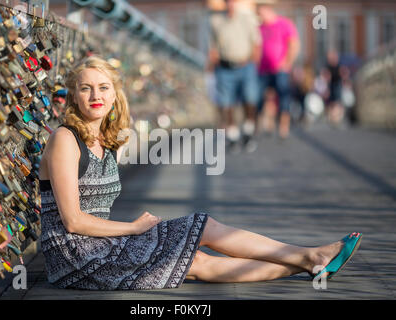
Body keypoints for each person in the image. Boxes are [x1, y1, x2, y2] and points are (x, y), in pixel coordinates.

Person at [38, 55, 362, 290]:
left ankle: (310, 259)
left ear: (114, 94)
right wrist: (133, 228)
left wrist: (130, 231)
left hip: (104, 243)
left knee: (201, 225)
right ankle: (310, 260)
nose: (96, 96)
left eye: (103, 87)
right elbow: (73, 221)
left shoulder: (106, 140)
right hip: (75, 255)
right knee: (193, 263)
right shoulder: (66, 140)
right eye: (86, 89)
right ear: (73, 95)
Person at [207, 0, 262, 152]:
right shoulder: (216, 21)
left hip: (246, 66)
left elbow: (256, 43)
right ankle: (232, 135)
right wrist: (212, 66)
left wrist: (254, 63)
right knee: (226, 103)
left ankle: (248, 131)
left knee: (250, 99)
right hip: (225, 67)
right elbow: (213, 48)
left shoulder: (247, 18)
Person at [256, 0, 300, 139]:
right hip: (263, 70)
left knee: (283, 97)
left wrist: (287, 62)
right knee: (262, 97)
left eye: (260, 11)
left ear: (268, 9)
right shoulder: (260, 27)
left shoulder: (284, 24)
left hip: (280, 69)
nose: (259, 15)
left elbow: (294, 44)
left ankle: (283, 126)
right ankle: (267, 123)